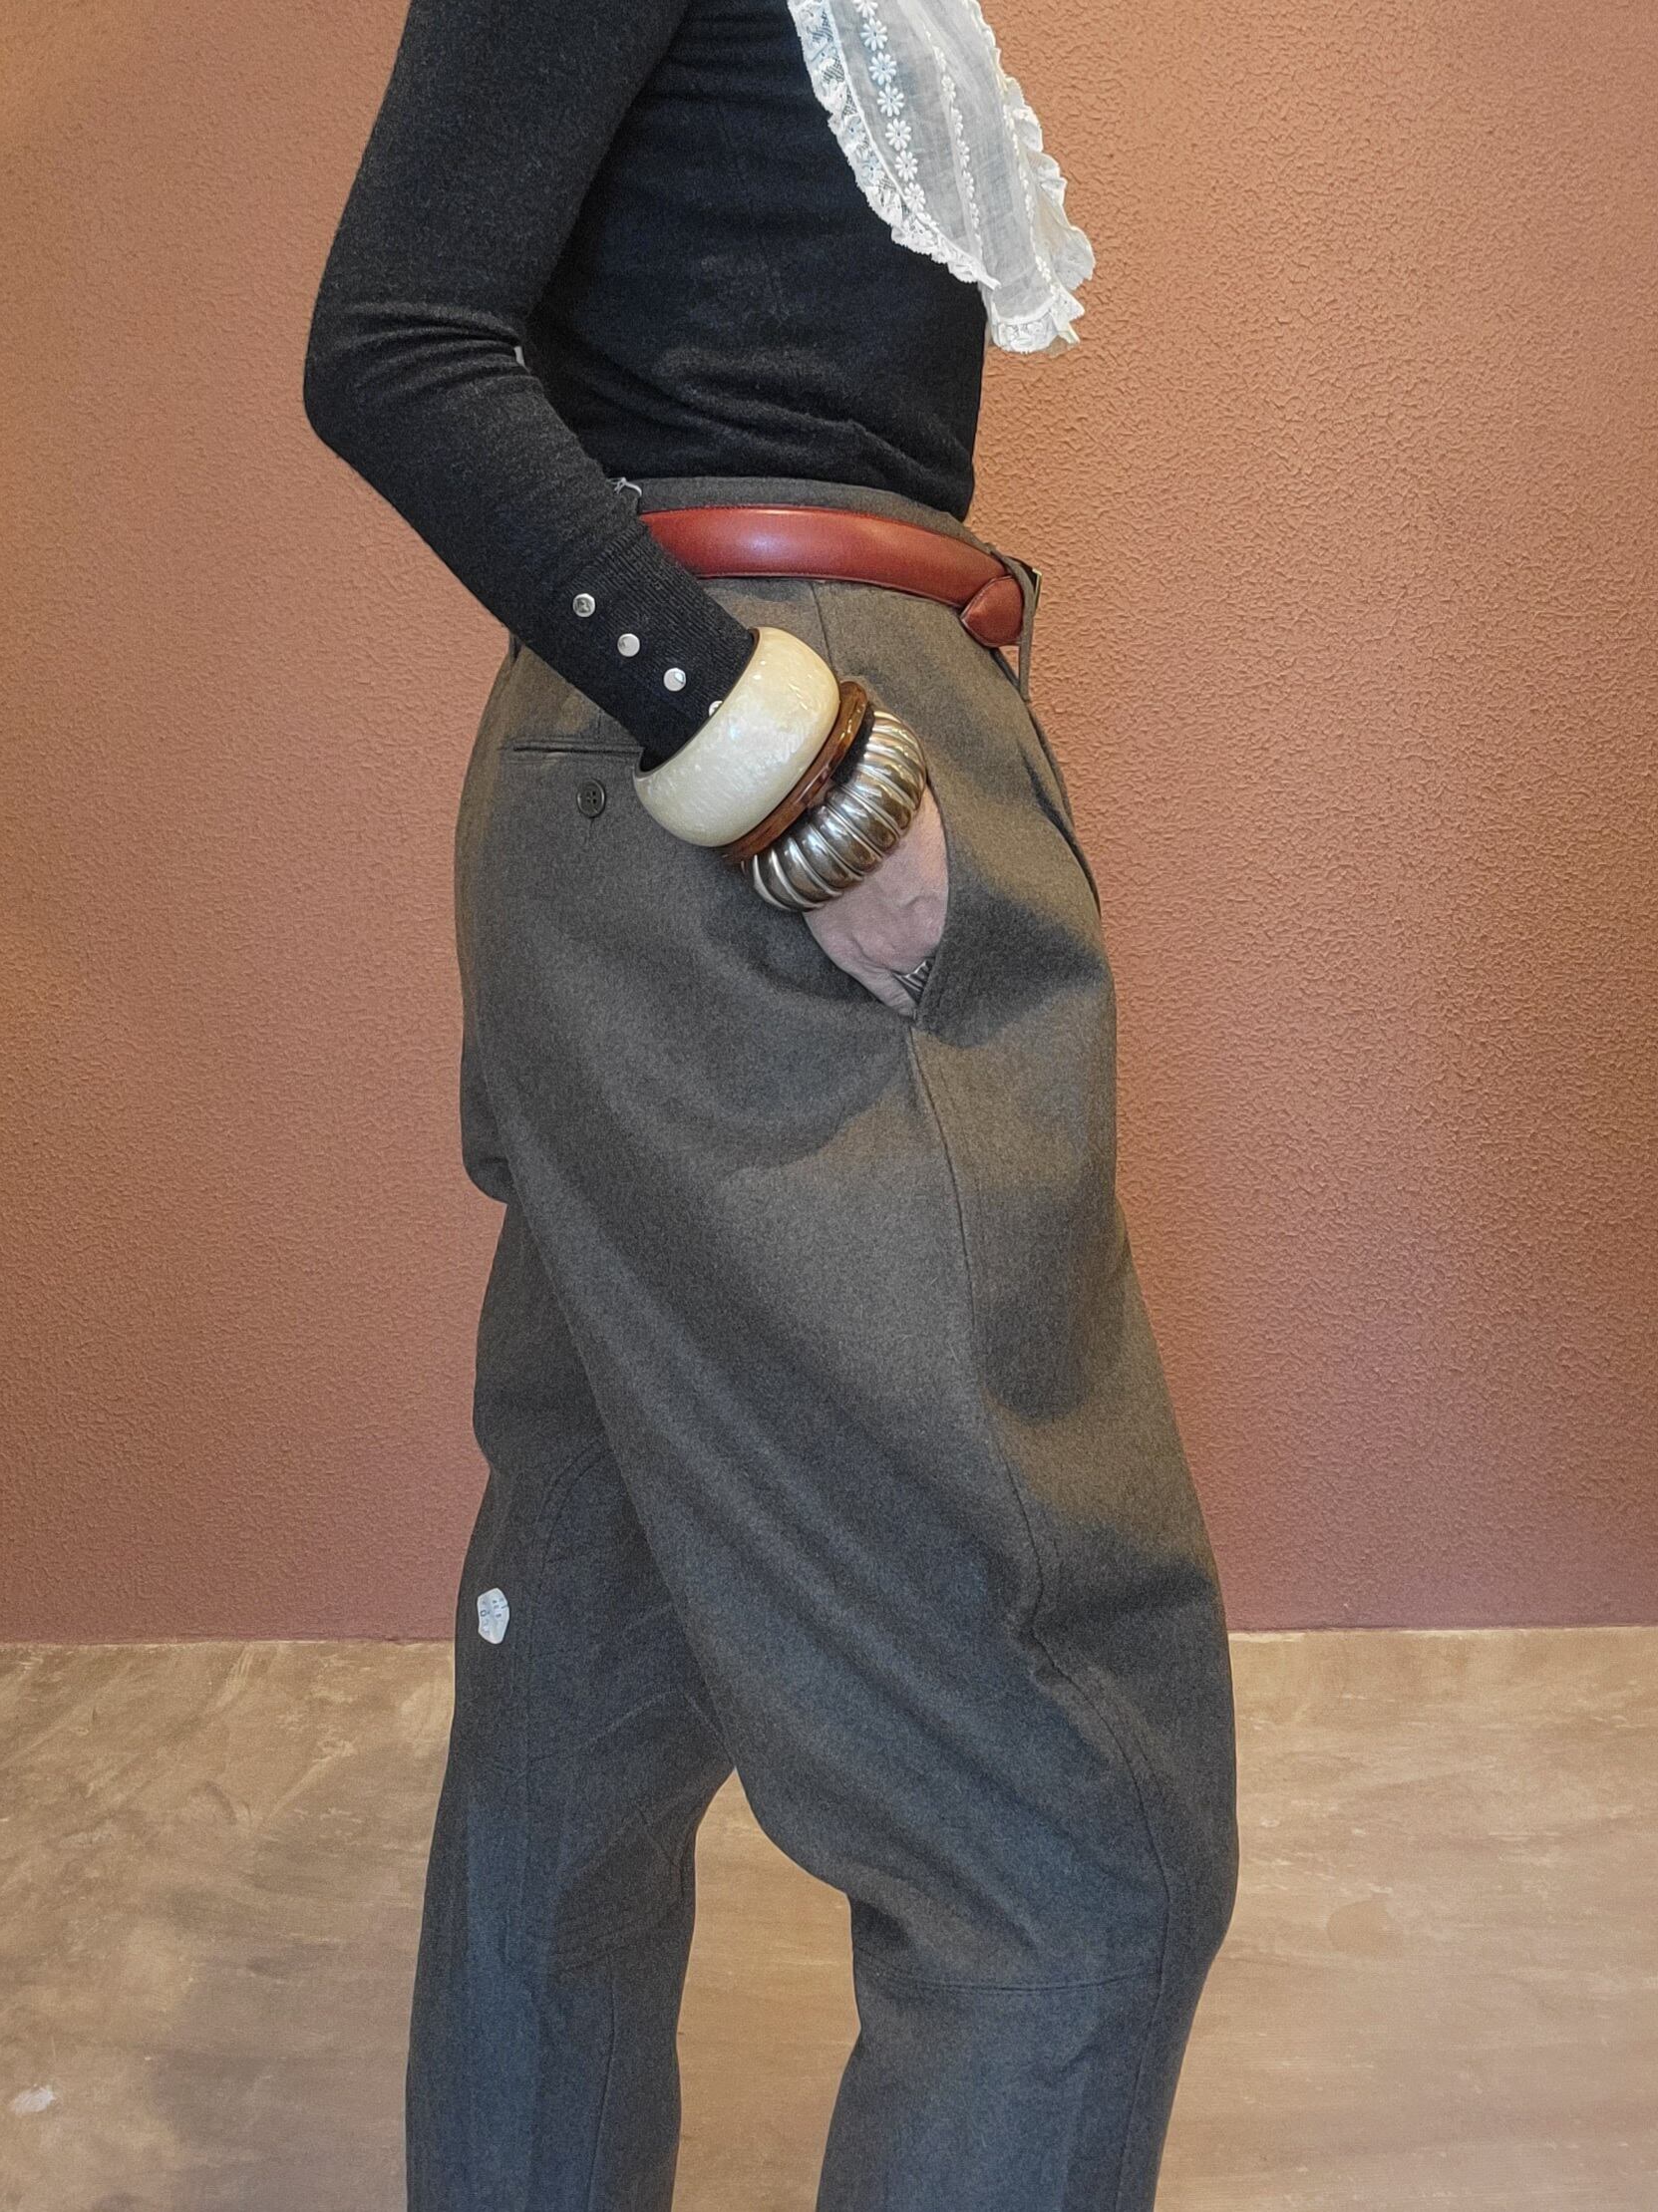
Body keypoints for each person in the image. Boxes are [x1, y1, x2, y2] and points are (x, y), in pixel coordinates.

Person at [301, 1, 1239, 2204]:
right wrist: (783, 761)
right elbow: (391, 346)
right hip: (757, 782)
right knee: (1069, 1840)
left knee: (587, 1676)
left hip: (687, 803)